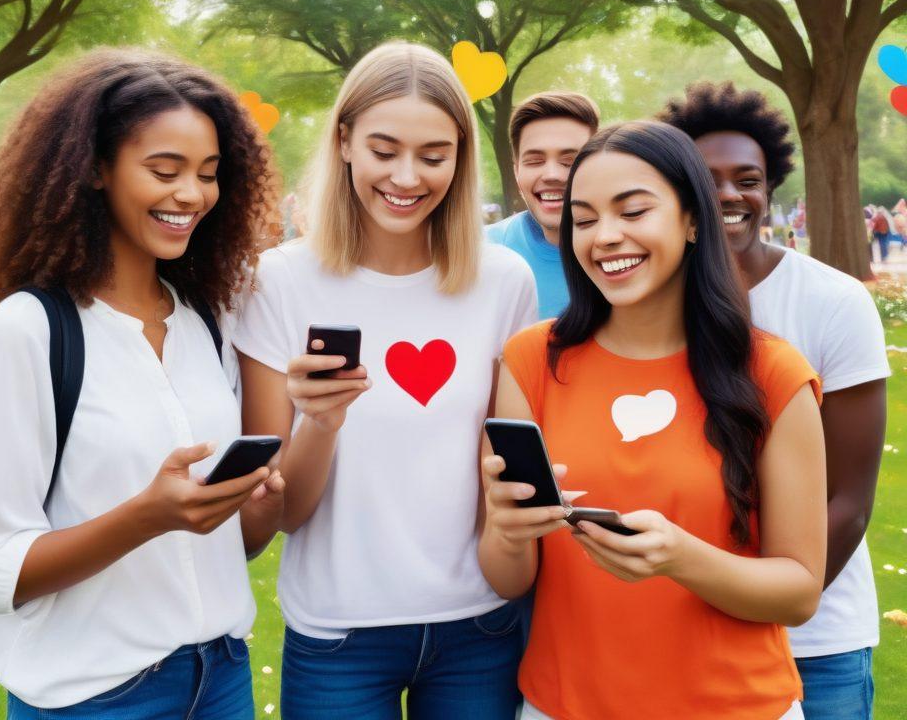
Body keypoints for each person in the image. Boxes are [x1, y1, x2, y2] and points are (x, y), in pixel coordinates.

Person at [0, 49, 284, 719]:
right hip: (96, 699)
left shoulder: (205, 326)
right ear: (95, 170)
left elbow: (230, 546)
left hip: (221, 680)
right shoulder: (30, 333)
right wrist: (145, 517)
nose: (191, 194)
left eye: (209, 174)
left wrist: (260, 501)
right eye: (164, 170)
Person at [479, 120, 826, 720]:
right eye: (584, 220)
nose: (605, 237)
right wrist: (508, 530)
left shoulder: (771, 372)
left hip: (737, 708)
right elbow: (510, 580)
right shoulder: (532, 360)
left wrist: (680, 558)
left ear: (693, 220)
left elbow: (798, 592)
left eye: (633, 212)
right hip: (564, 706)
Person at [233, 42, 538, 720]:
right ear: (344, 141)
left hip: (479, 628)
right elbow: (280, 512)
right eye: (384, 149)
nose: (407, 176)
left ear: (460, 158)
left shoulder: (503, 283)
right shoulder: (279, 281)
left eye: (434, 156)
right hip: (339, 633)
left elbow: (503, 474)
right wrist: (320, 420)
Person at [662, 81, 889, 720]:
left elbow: (848, 499)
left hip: (817, 641)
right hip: (685, 629)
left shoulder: (833, 302)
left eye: (748, 179)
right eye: (707, 179)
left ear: (770, 188)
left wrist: (769, 601)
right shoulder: (647, 305)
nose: (730, 195)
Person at [486, 92, 599, 319]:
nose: (552, 175)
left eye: (570, 161)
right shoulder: (481, 252)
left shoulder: (627, 253)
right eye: (535, 161)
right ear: (517, 172)